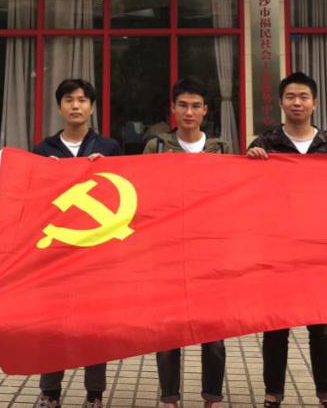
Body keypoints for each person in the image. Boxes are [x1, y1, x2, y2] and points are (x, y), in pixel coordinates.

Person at [245, 71, 327, 408]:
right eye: (290, 97)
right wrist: (250, 162)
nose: (297, 103)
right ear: (281, 102)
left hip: (317, 249)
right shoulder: (265, 143)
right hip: (277, 249)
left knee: (321, 326)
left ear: (315, 103)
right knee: (276, 326)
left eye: (303, 97)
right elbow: (247, 193)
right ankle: (273, 393)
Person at [32, 78, 121, 408]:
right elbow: (34, 202)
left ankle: (94, 393)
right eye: (68, 99)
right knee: (52, 324)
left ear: (92, 107)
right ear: (59, 107)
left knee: (94, 325)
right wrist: (48, 175)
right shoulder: (43, 151)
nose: (75, 105)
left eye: (83, 100)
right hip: (57, 252)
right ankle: (50, 391)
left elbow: (122, 194)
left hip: (97, 252)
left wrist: (104, 169)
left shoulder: (109, 148)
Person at [144, 76, 231, 408]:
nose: (189, 112)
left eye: (196, 106)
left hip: (210, 252)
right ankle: (170, 398)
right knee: (168, 331)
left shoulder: (221, 148)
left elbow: (235, 195)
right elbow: (140, 193)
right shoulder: (156, 147)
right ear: (173, 108)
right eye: (183, 105)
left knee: (214, 334)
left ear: (206, 110)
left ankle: (212, 397)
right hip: (167, 251)